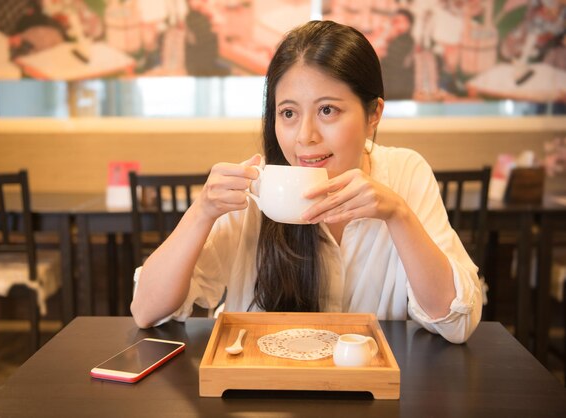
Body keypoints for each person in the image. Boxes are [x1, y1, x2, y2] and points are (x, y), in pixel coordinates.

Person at [130, 20, 482, 343]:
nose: (305, 136)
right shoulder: (255, 187)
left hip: (370, 392)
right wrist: (202, 212)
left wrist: (397, 215)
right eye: (288, 113)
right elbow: (146, 311)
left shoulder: (405, 172)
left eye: (327, 110)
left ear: (373, 114)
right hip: (261, 393)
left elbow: (454, 322)